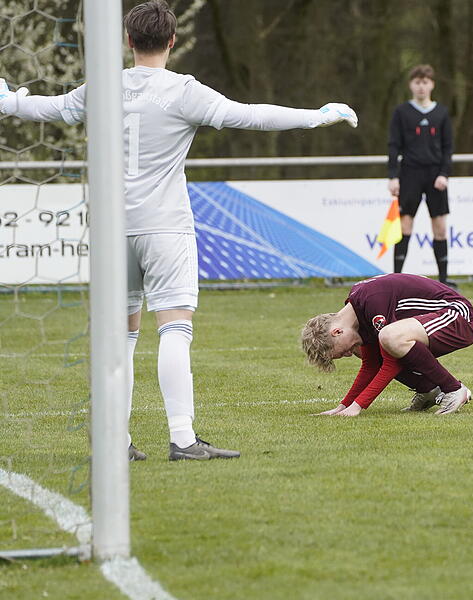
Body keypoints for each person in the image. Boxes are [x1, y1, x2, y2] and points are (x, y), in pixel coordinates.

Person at [0, 0, 358, 460]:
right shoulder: (183, 90)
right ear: (172, 41)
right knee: (174, 329)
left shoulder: (103, 87)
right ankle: (183, 439)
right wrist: (315, 114)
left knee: (123, 336)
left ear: (128, 40)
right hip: (164, 226)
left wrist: (9, 101)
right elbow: (250, 115)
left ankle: (115, 440)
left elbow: (51, 109)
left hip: (110, 229)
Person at [301, 273, 473, 416]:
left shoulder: (371, 302)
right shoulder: (359, 311)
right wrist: (344, 406)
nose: (347, 354)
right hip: (438, 321)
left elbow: (391, 362)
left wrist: (358, 407)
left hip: (459, 317)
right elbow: (371, 365)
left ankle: (454, 389)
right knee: (374, 346)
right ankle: (428, 390)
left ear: (337, 332)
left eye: (340, 353)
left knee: (390, 338)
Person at [387, 64, 455, 286]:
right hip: (410, 173)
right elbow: (394, 145)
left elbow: (448, 147)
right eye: (417, 82)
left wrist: (444, 173)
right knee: (405, 224)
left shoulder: (441, 113)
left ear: (432, 84)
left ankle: (444, 280)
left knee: (440, 227)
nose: (421, 87)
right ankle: (396, 279)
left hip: (435, 175)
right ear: (411, 85)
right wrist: (393, 176)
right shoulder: (402, 112)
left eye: (425, 82)